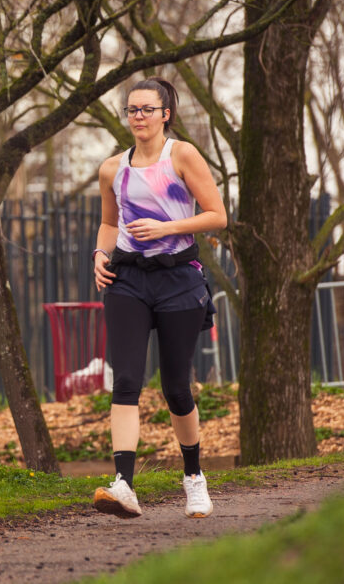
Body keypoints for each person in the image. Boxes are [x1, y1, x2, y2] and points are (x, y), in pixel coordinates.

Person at [91, 77, 227, 519]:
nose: (139, 117)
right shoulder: (112, 168)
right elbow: (110, 225)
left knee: (175, 387)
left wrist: (166, 229)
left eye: (147, 109)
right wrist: (99, 253)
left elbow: (217, 216)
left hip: (179, 280)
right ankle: (124, 485)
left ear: (165, 113)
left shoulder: (182, 155)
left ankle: (193, 477)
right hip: (128, 279)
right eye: (132, 110)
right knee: (126, 380)